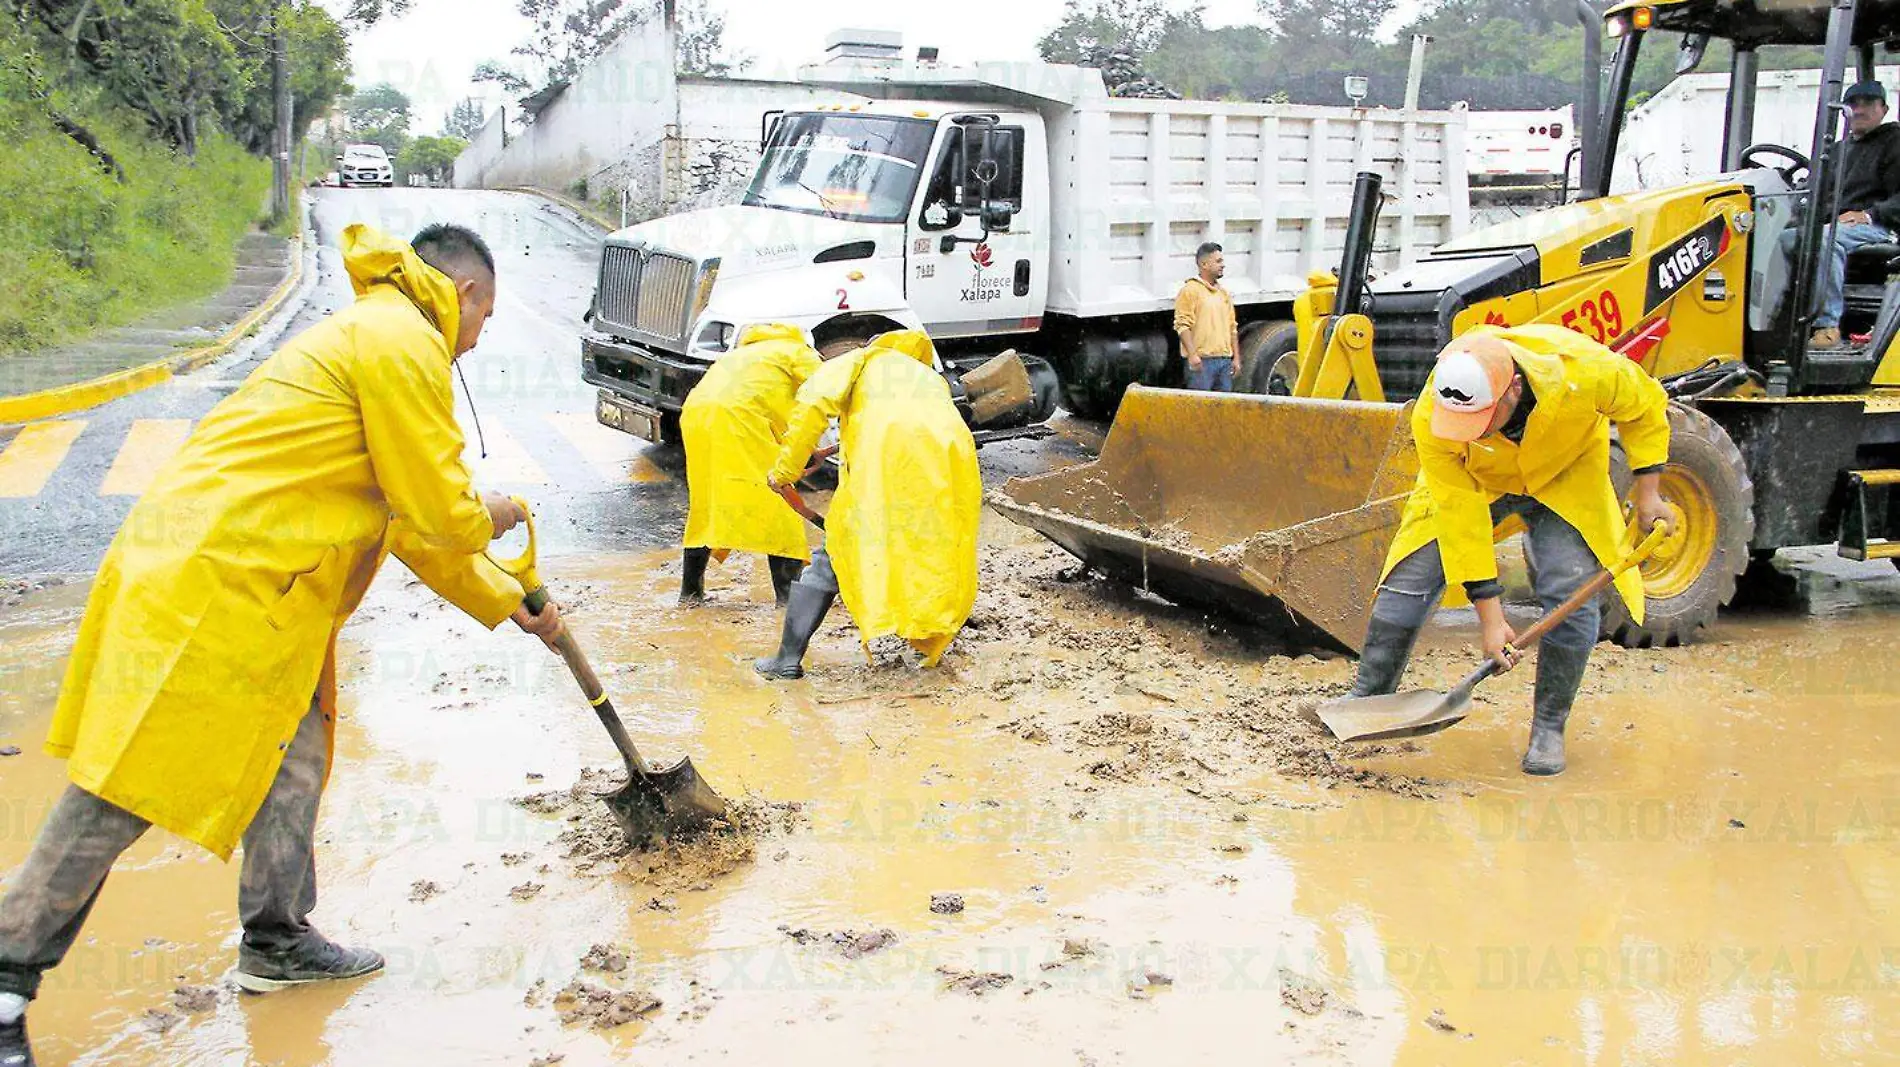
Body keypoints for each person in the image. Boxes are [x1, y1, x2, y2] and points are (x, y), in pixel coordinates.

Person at [0, 224, 563, 1066]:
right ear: (468, 292)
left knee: (294, 756)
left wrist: (510, 598)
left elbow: (403, 514)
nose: (478, 342)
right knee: (125, 784)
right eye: (484, 321)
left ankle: (277, 939)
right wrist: (503, 510)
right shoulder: (401, 341)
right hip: (216, 580)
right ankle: (7, 976)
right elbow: (444, 511)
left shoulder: (381, 334)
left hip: (268, 588)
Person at [1347, 325, 1674, 776]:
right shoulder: (1435, 410)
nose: (1470, 429)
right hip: (1477, 481)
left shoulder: (1587, 371)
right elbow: (1460, 515)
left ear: (1513, 389)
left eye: (1482, 417)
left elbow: (1646, 407)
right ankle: (1368, 701)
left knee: (1571, 589)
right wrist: (1492, 618)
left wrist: (1649, 493)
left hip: (1564, 478)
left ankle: (1549, 728)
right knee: (1408, 581)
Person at [752, 329, 981, 679]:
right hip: (948, 465)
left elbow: (814, 403)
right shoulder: (929, 378)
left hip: (888, 463)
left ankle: (786, 658)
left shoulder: (861, 361)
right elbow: (906, 429)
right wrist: (831, 451)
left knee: (839, 546)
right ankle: (926, 634)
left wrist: (786, 470)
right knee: (930, 547)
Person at [678, 323, 824, 607]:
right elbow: (829, 392)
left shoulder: (742, 354)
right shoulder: (798, 352)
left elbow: (764, 398)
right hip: (741, 420)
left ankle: (690, 595)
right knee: (779, 502)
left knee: (709, 504)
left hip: (697, 417)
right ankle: (789, 602)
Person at [1789, 80, 1900, 347]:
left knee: (1824, 241)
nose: (1859, 110)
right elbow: (1817, 193)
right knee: (1784, 239)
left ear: (1883, 109)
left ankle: (1827, 326)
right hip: (1838, 225)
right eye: (1853, 104)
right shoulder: (1838, 150)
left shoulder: (1894, 143)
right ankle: (1783, 324)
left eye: (1868, 104)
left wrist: (1870, 214)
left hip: (1882, 228)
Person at [1174, 241, 1240, 392]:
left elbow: (1232, 328)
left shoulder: (1224, 293)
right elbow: (1182, 325)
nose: (1223, 265)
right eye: (1218, 261)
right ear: (1204, 264)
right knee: (1200, 410)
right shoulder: (1190, 291)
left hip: (1224, 361)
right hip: (1202, 363)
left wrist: (1235, 358)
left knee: (1223, 409)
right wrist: (1192, 355)